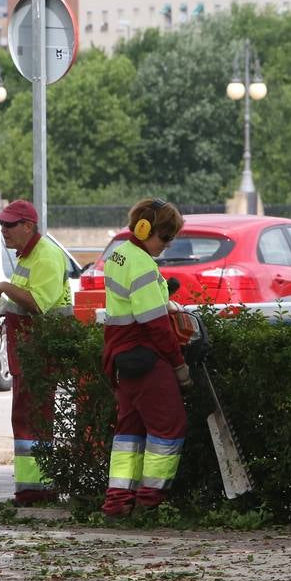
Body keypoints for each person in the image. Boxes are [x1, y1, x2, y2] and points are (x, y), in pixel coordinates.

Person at [100, 198, 192, 519]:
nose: (167, 245)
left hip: (121, 358)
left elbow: (131, 302)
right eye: (164, 238)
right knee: (169, 427)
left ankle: (117, 502)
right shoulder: (141, 264)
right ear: (144, 230)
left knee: (129, 432)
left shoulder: (118, 254)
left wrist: (164, 294)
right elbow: (156, 327)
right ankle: (150, 502)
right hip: (149, 359)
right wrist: (179, 366)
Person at [0, 199, 72, 505]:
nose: (3, 230)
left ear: (28, 226)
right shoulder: (28, 256)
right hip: (27, 351)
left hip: (39, 352)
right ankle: (34, 488)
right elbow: (24, 303)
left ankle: (36, 490)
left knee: (33, 418)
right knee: (28, 418)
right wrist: (0, 309)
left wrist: (4, 287)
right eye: (1, 224)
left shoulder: (46, 255)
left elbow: (39, 303)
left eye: (9, 224)